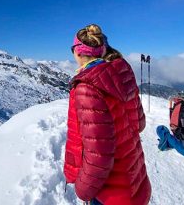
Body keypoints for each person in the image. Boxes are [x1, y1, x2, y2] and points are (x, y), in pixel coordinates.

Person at [63, 24, 151, 205]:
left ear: (78, 52)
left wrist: (83, 190)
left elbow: (98, 154)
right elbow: (139, 124)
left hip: (109, 191)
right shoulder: (120, 72)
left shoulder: (87, 87)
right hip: (134, 178)